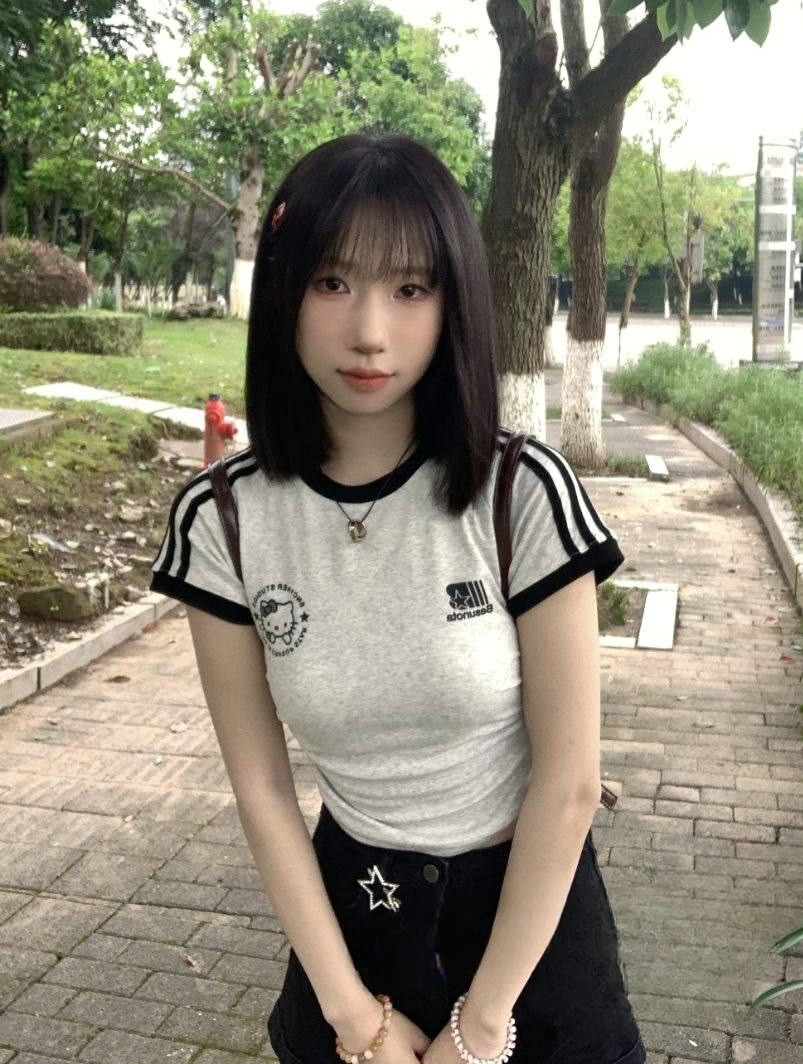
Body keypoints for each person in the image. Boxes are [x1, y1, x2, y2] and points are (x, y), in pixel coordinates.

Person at [150, 133, 645, 1064]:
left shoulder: (519, 493)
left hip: (531, 928)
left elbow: (571, 780)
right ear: (284, 290)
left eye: (410, 288)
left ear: (453, 301)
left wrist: (481, 1024)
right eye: (332, 282)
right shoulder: (224, 520)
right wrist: (354, 1018)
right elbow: (262, 788)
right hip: (354, 919)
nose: (370, 332)